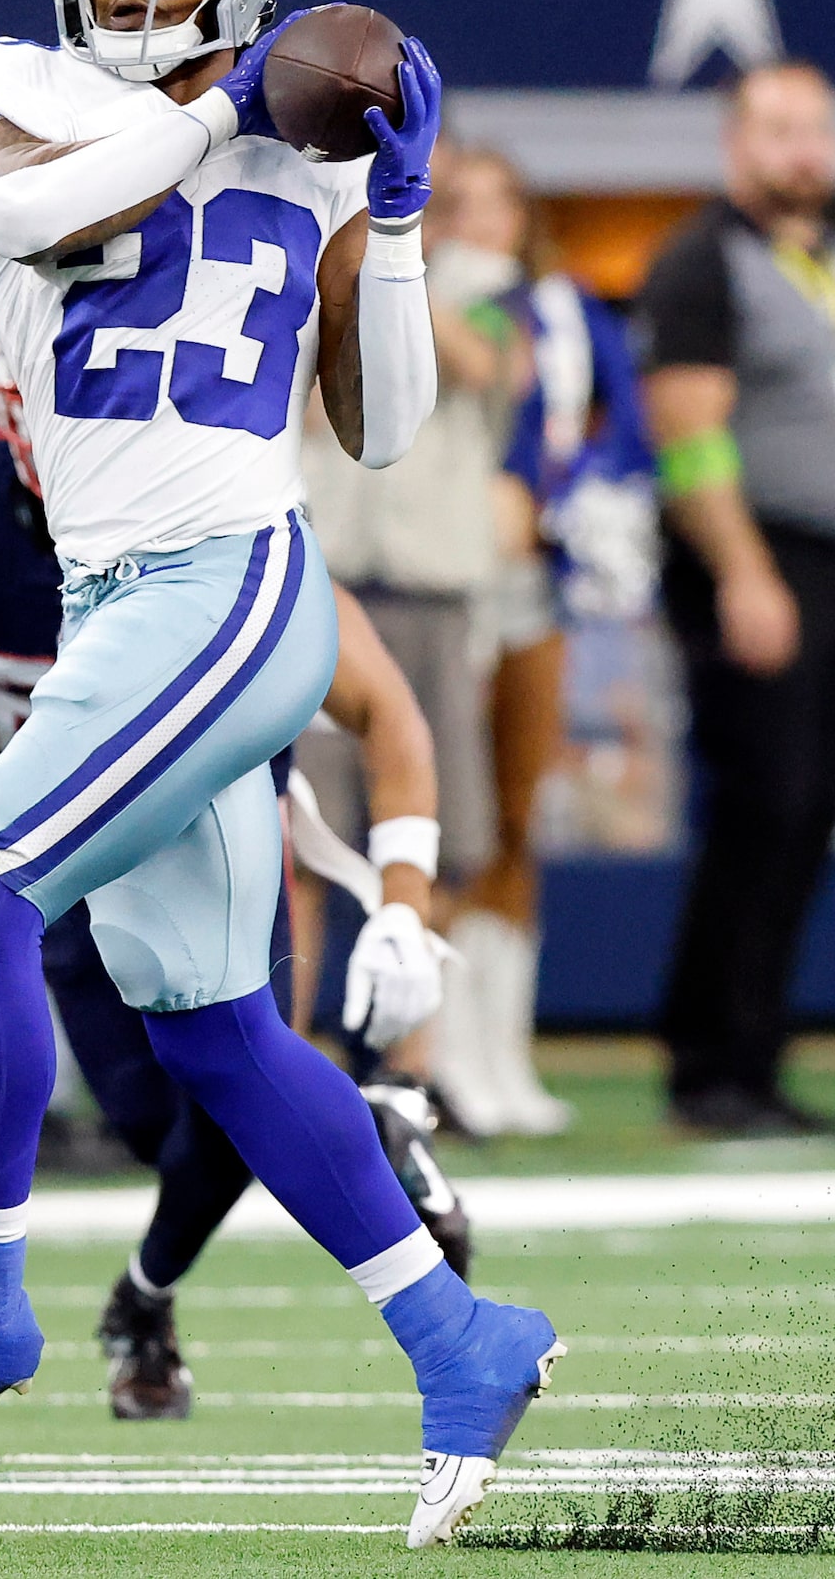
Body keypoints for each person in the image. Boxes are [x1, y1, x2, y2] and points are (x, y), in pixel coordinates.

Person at [0, 0, 559, 1551]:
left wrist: (404, 215)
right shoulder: (10, 86)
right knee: (215, 1026)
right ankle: (460, 1337)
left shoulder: (309, 149)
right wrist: (220, 106)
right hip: (128, 582)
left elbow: (385, 429)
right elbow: (39, 213)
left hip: (224, 578)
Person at [0, 410, 466, 1420]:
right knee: (158, 1127)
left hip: (213, 845)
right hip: (52, 866)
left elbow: (384, 707)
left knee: (232, 1091)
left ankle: (147, 1300)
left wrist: (401, 903)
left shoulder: (212, 500)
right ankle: (356, 1151)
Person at [636, 60, 835, 1139]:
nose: (802, 151)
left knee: (812, 811)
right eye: (777, 129)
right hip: (758, 560)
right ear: (736, 144)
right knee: (758, 808)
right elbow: (687, 435)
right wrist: (739, 571)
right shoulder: (702, 260)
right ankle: (705, 1063)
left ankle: (757, 1059)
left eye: (815, 128)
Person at [298, 139, 521, 1131]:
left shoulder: (487, 288)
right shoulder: (318, 262)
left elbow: (481, 362)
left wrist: (389, 261)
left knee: (425, 838)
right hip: (329, 573)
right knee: (302, 834)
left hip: (430, 587)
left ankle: (410, 1070)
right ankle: (287, 1062)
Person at [468, 214, 662, 1126]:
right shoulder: (412, 294)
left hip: (528, 580)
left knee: (511, 819)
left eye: (493, 206)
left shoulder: (560, 314)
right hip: (432, 576)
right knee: (441, 830)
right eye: (460, 204)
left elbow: (615, 425)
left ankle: (500, 1052)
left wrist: (566, 506)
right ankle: (444, 1057)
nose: (477, 225)